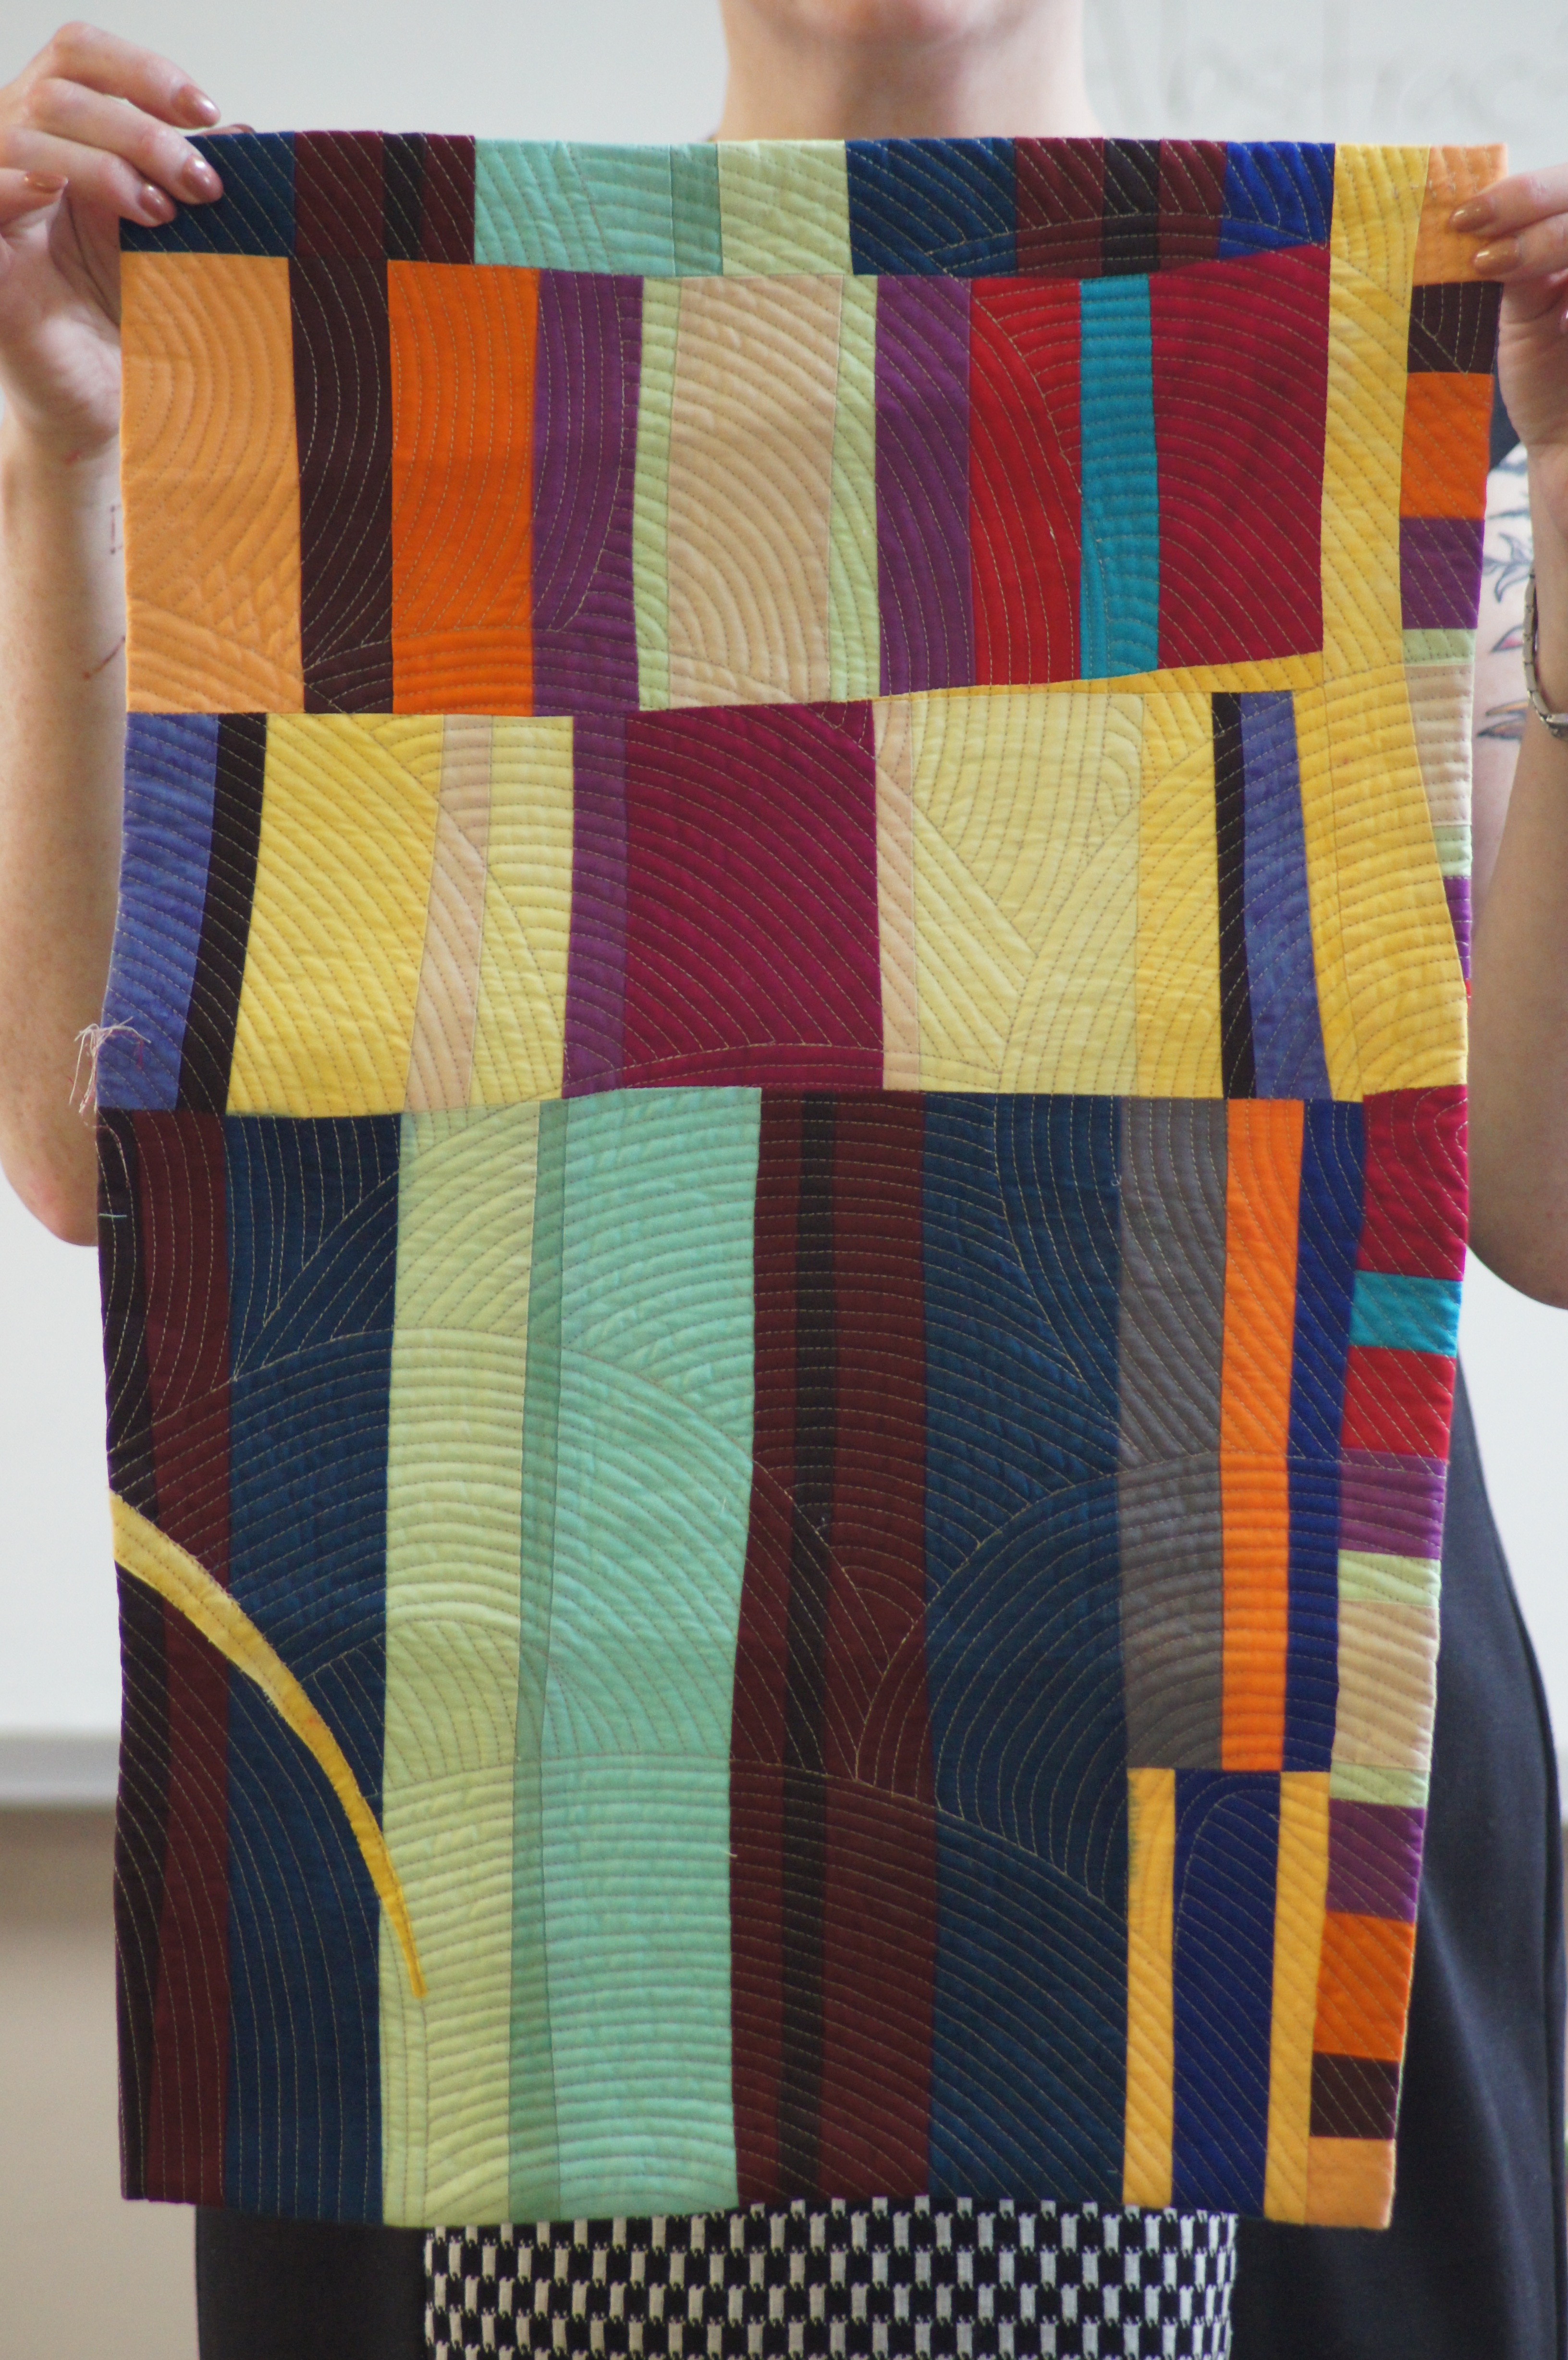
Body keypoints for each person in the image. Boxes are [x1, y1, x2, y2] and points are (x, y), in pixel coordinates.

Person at [0, 5, 1564, 2356]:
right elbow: (85, 1152)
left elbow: (1539, 1201)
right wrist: (70, 452)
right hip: (544, 1745)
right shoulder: (380, 380)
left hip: (1242, 1719)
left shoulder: (1402, 376)